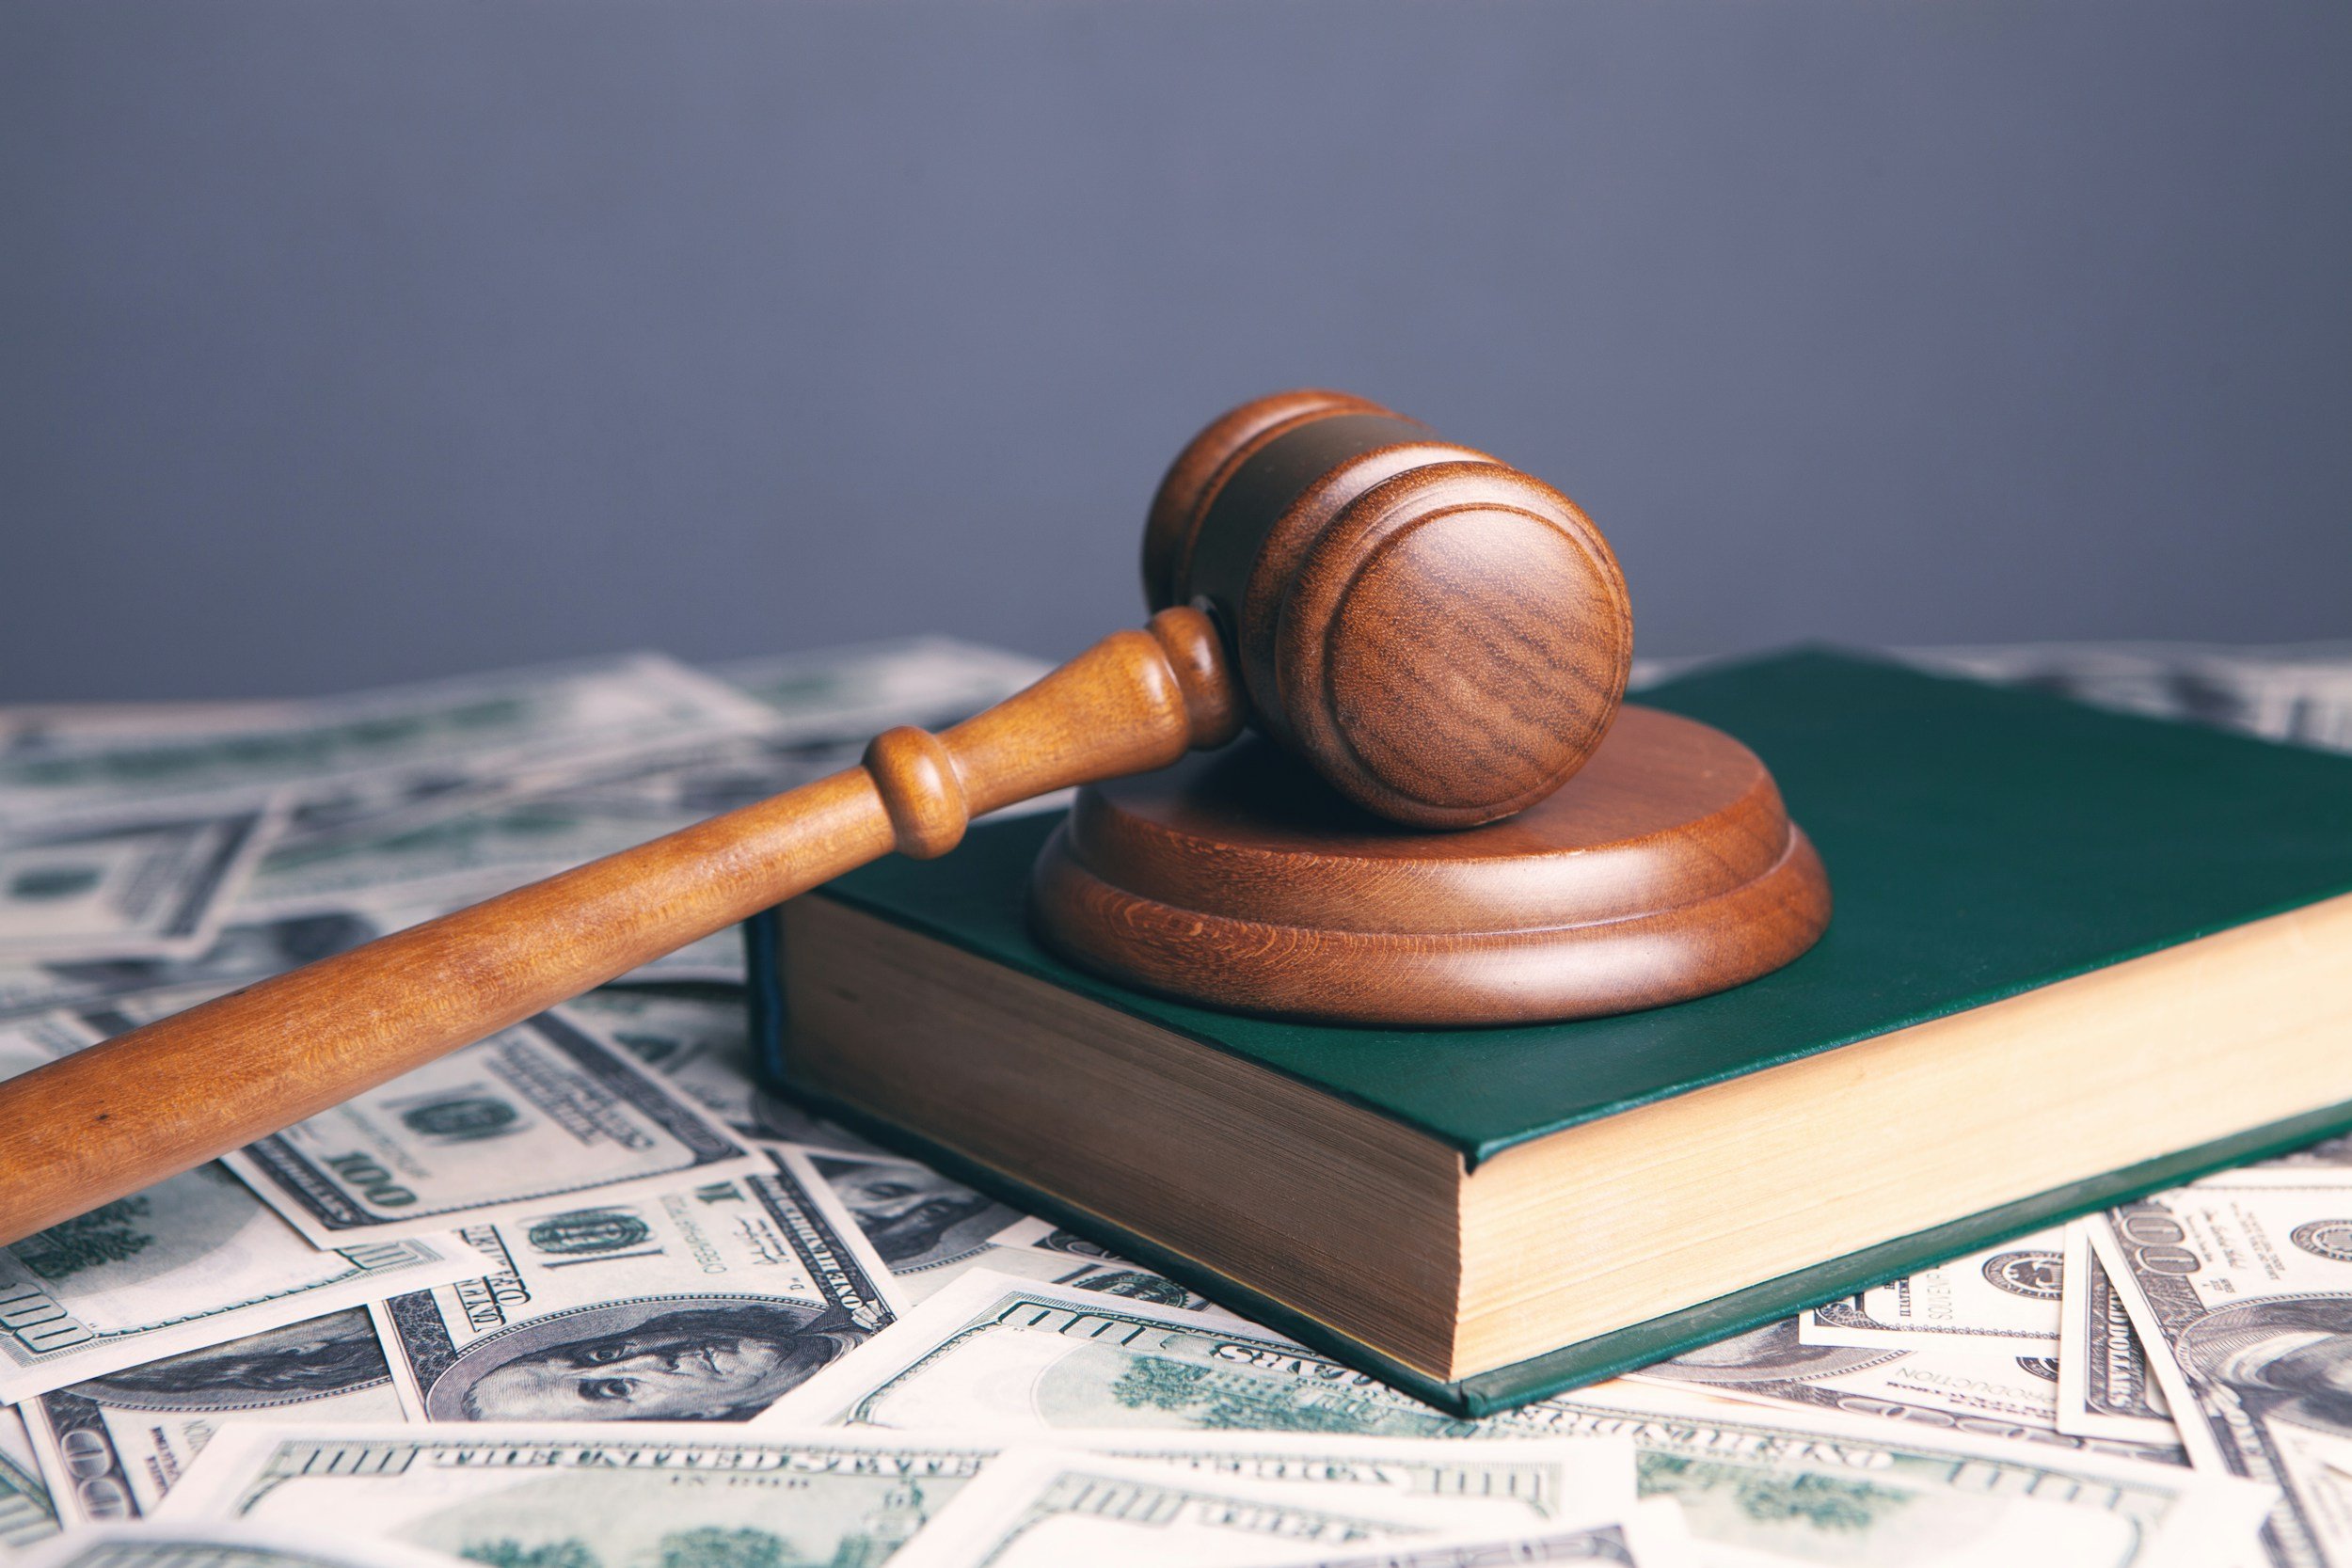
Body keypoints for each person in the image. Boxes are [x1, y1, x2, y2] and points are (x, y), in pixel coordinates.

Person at [439, 1300, 859, 1421]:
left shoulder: (839, 1309)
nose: (653, 1359)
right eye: (615, 1388)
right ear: (697, 1415)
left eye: (601, 1354)